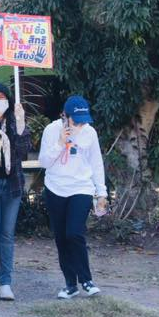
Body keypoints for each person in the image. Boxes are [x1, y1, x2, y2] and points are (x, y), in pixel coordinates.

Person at [38, 95, 107, 299]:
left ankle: (86, 280)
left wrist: (101, 192)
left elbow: (96, 163)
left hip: (81, 187)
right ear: (64, 116)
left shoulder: (89, 132)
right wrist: (60, 142)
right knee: (61, 238)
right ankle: (70, 284)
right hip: (55, 188)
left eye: (83, 121)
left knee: (74, 233)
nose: (80, 125)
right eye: (76, 121)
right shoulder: (51, 130)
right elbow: (43, 162)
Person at [0, 83, 31, 302]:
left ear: (8, 99)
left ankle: (6, 283)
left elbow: (24, 151)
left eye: (1, 97)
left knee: (7, 235)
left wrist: (20, 125)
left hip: (12, 185)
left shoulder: (14, 120)